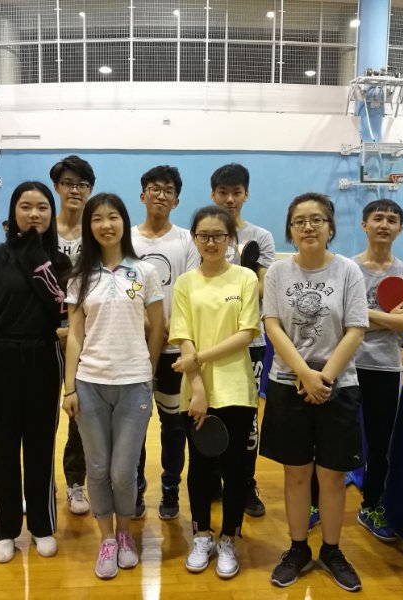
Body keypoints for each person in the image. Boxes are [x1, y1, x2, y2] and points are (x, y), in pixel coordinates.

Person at [261, 193, 367, 591]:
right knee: (296, 473)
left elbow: (356, 328)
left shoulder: (348, 271)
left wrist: (324, 378)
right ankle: (298, 548)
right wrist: (304, 374)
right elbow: (272, 325)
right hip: (289, 384)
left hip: (338, 386)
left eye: (317, 219)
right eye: (299, 221)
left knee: (333, 476)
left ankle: (332, 551)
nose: (308, 226)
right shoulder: (277, 272)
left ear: (330, 227)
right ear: (290, 230)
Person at [0, 181, 71, 564]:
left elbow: (63, 310)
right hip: (2, 361)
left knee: (42, 447)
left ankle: (42, 526)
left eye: (42, 207)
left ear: (51, 214)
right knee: (3, 451)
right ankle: (5, 529)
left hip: (45, 360)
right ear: (13, 212)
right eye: (25, 206)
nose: (34, 214)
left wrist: (35, 256)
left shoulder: (60, 263)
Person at [62, 193, 164, 580]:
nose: (106, 225)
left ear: (124, 221)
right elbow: (75, 334)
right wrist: (69, 388)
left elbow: (158, 329)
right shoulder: (80, 276)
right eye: (97, 219)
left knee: (123, 471)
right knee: (98, 467)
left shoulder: (145, 272)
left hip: (134, 384)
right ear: (89, 227)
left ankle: (125, 533)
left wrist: (148, 372)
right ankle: (106, 538)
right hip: (89, 384)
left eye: (113, 217)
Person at [170, 205, 260, 580]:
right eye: (203, 235)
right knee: (200, 467)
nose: (210, 242)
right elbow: (183, 336)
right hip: (195, 391)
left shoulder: (245, 279)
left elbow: (246, 333)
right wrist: (197, 388)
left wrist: (198, 359)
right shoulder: (185, 283)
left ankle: (228, 539)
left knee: (235, 470)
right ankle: (202, 536)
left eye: (218, 235)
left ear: (230, 239)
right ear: (195, 239)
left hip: (237, 388)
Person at [353, 199, 403, 544]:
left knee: (379, 444)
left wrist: (363, 316)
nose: (384, 224)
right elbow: (341, 319)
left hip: (386, 368)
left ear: (399, 229)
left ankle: (370, 506)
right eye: (378, 218)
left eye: (392, 220)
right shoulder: (347, 269)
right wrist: (389, 318)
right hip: (346, 365)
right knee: (332, 440)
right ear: (364, 225)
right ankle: (316, 502)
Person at [131, 165, 200, 520]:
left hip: (174, 349)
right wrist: (148, 325)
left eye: (168, 190)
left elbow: (189, 291)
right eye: (155, 188)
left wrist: (164, 328)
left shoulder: (187, 240)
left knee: (174, 426)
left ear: (176, 200)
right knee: (135, 426)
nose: (161, 195)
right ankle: (135, 489)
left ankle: (170, 489)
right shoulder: (127, 240)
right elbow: (125, 290)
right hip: (134, 350)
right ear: (143, 195)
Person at [210, 162, 275, 517]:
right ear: (213, 195)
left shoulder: (260, 237)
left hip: (251, 341)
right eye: (223, 192)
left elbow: (263, 287)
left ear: (246, 194)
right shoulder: (205, 232)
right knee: (212, 412)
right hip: (211, 341)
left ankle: (245, 483)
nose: (230, 199)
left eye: (236, 192)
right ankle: (214, 480)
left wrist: (237, 280)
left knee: (247, 418)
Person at [50, 154, 96, 515]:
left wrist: (77, 330)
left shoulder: (97, 231)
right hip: (45, 335)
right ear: (57, 187)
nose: (75, 190)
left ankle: (76, 483)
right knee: (39, 417)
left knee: (78, 413)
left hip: (85, 335)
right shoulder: (43, 230)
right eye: (68, 183)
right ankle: (39, 484)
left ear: (90, 190)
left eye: (82, 184)